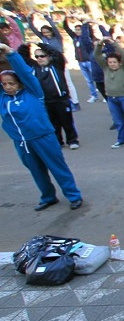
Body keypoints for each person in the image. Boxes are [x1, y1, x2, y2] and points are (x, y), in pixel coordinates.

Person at [0, 43, 83, 210]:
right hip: (23, 142)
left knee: (57, 167)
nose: (8, 87)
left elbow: (24, 73)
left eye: (12, 83)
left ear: (21, 83)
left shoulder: (33, 92)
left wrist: (10, 53)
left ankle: (73, 195)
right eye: (4, 84)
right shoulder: (3, 98)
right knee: (36, 171)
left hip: (43, 137)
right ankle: (48, 196)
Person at [18, 42, 80, 149]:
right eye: (37, 56)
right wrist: (25, 46)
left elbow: (56, 52)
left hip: (61, 99)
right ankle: (58, 141)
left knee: (67, 121)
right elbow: (23, 57)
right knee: (52, 123)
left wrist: (40, 44)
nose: (40, 58)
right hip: (46, 101)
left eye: (42, 56)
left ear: (49, 57)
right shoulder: (35, 67)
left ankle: (72, 140)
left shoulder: (57, 65)